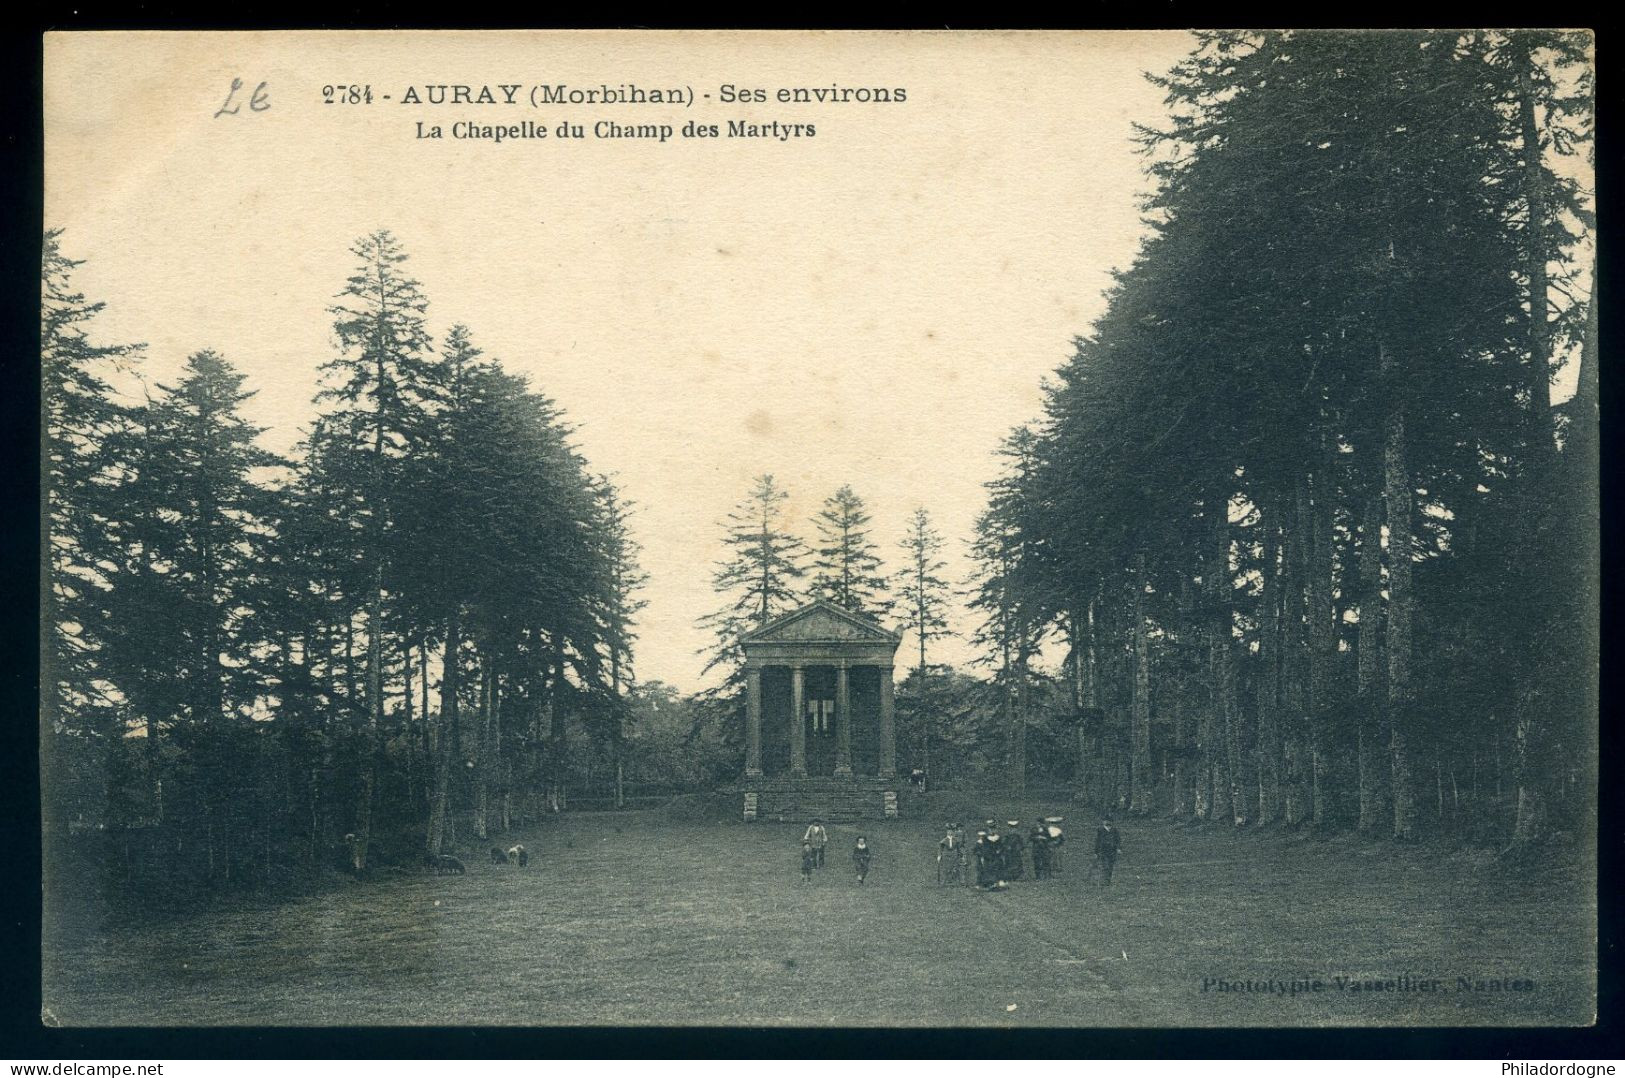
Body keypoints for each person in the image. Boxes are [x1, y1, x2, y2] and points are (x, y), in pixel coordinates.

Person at [1095, 816, 1122, 886]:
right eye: (1105, 821)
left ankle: (1108, 880)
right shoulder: (1100, 830)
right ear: (1103, 822)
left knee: (1111, 866)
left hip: (1112, 850)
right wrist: (1096, 852)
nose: (1107, 822)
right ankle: (1104, 880)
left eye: (1109, 821)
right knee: (1105, 866)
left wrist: (1118, 848)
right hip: (1103, 850)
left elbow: (1118, 840)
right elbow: (1097, 841)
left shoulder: (1114, 830)